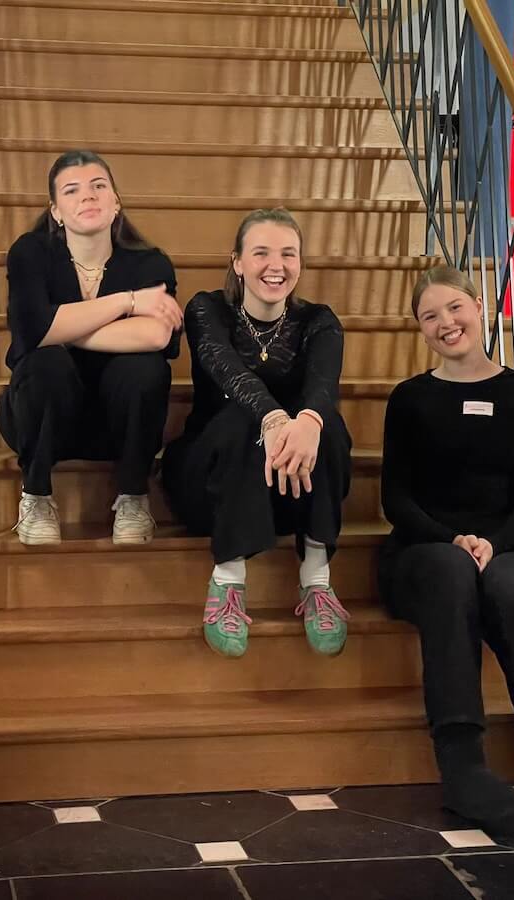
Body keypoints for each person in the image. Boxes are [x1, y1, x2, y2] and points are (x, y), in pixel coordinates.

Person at [378, 265, 514, 834]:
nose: (446, 322)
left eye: (455, 307)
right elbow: (395, 499)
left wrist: (493, 543)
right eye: (430, 316)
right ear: (420, 330)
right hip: (423, 549)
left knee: (510, 592)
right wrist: (453, 540)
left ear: (480, 307)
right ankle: (463, 767)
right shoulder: (409, 398)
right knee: (453, 573)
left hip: (504, 545)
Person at [162, 208, 352, 658]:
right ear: (238, 262)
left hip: (288, 487)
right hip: (214, 484)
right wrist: (275, 419)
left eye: (288, 254)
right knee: (240, 418)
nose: (276, 265)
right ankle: (228, 581)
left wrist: (308, 422)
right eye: (262, 253)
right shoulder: (207, 309)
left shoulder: (319, 321)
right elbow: (230, 373)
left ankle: (316, 580)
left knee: (326, 423)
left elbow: (323, 384)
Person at [0, 150, 183, 546]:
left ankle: (133, 497)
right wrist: (127, 303)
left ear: (116, 202)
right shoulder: (30, 253)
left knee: (146, 368)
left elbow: (157, 336)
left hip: (117, 423)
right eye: (72, 190)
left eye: (99, 186)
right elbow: (34, 335)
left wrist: (58, 327)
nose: (88, 196)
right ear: (56, 211)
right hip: (41, 417)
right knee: (46, 363)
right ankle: (36, 496)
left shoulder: (149, 262)